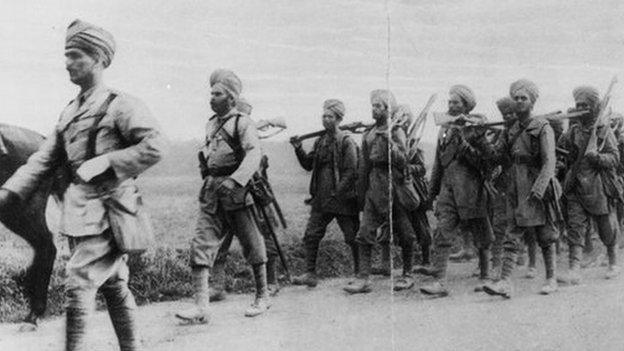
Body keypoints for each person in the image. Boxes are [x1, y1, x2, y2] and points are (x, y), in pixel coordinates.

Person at [0, 19, 165, 350]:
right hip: (80, 214)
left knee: (79, 285)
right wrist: (8, 192)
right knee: (115, 286)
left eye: (76, 55)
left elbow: (155, 146)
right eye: (66, 55)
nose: (68, 63)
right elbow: (42, 160)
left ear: (99, 59)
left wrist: (109, 162)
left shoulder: (121, 104)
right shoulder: (69, 112)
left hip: (113, 210)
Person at [175, 69, 270, 324]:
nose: (211, 98)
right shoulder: (211, 123)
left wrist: (236, 180)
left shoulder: (242, 123)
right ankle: (201, 306)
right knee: (201, 244)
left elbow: (253, 154)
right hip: (212, 191)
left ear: (231, 98)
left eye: (217, 94)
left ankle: (262, 296)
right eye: (211, 93)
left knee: (252, 243)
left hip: (237, 191)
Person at [482, 79, 562, 298]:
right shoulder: (512, 129)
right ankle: (505, 282)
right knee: (512, 231)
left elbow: (549, 161)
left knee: (545, 234)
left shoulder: (542, 127)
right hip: (516, 186)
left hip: (537, 186)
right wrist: (480, 138)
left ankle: (551, 278)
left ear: (532, 101)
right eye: (516, 98)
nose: (518, 101)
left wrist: (539, 189)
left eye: (523, 98)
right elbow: (497, 156)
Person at [418, 85, 493, 297]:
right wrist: (431, 194)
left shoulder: (476, 129)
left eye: (456, 102)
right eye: (449, 102)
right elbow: (438, 165)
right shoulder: (444, 129)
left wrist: (465, 143)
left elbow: (486, 160)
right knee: (442, 231)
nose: (451, 105)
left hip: (471, 189)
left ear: (466, 106)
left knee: (481, 234)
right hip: (448, 190)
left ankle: (485, 276)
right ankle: (439, 281)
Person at [208, 97, 282, 300]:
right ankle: (217, 286)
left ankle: (271, 282)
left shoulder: (250, 138)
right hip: (229, 196)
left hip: (254, 196)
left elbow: (257, 164)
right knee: (219, 242)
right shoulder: (223, 137)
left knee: (265, 238)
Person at [344, 89, 415, 294]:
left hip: (395, 187)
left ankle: (407, 274)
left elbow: (403, 161)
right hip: (374, 188)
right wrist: (362, 193)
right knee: (364, 232)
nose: (374, 109)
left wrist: (390, 142)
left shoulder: (397, 131)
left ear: (387, 109)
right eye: (373, 105)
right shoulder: (368, 134)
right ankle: (363, 278)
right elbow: (364, 166)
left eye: (378, 106)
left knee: (405, 234)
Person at [289, 99, 360, 287]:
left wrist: (337, 192)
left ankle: (361, 274)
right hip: (321, 199)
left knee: (353, 237)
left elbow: (351, 171)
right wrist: (298, 148)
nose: (325, 119)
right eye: (324, 116)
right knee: (311, 235)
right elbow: (308, 164)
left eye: (329, 116)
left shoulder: (346, 141)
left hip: (343, 199)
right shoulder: (321, 141)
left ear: (338, 119)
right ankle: (310, 273)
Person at [556, 86, 621, 285]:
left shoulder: (603, 130)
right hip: (576, 185)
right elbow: (562, 152)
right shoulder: (573, 132)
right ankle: (574, 269)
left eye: (585, 105)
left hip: (598, 186)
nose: (581, 108)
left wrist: (597, 158)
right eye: (578, 105)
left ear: (593, 107)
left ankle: (613, 262)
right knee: (575, 227)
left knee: (606, 227)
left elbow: (614, 158)